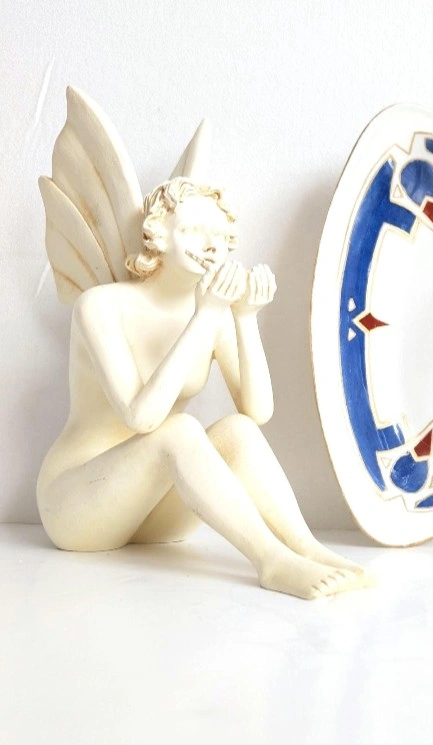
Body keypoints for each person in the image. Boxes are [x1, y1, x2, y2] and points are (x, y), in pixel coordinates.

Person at [37, 178, 367, 599]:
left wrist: (245, 318)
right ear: (158, 235)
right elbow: (142, 418)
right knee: (179, 429)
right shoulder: (101, 307)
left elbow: (257, 413)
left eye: (220, 236)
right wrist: (205, 315)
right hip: (78, 504)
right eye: (194, 231)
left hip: (154, 516)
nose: (211, 246)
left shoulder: (214, 314)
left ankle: (304, 547)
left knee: (237, 431)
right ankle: (271, 561)